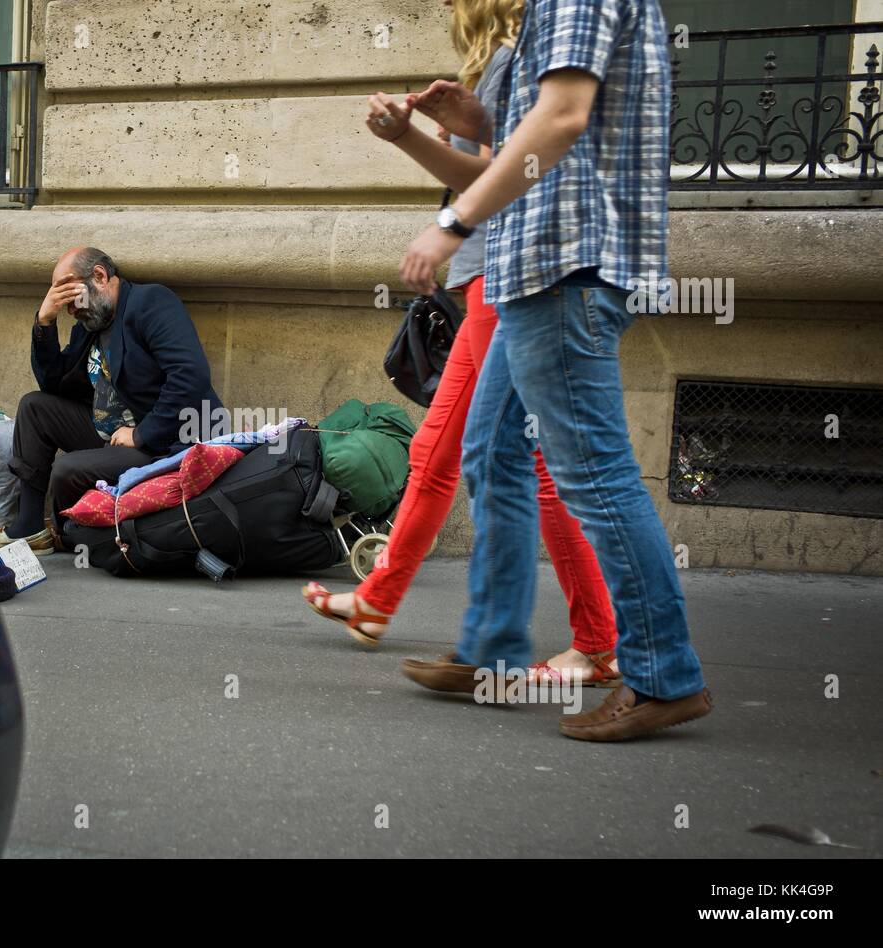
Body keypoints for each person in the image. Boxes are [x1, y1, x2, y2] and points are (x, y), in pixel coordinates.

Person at [396, 0, 711, 740]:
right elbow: (544, 135)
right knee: (493, 451)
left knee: (593, 473)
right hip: (533, 270)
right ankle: (492, 650)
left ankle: (665, 675)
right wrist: (474, 118)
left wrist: (451, 222)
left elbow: (564, 117)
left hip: (566, 266)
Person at [302, 0, 620, 688]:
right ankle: (410, 611)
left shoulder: (547, 38)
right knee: (453, 451)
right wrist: (411, 137)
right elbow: (491, 168)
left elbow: (525, 168)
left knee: (524, 462)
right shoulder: (507, 55)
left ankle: (591, 642)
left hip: (514, 277)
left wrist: (447, 222)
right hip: (491, 275)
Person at [0, 247, 223, 555]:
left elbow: (190, 376)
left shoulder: (150, 303)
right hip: (109, 432)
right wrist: (44, 322)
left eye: (72, 299)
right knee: (34, 407)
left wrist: (141, 434)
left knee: (66, 470)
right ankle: (30, 529)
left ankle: (72, 534)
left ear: (99, 276)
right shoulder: (91, 323)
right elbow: (54, 384)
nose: (72, 311)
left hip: (162, 444)